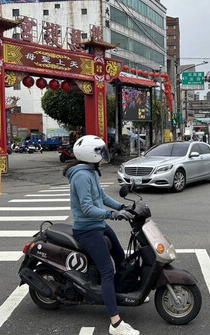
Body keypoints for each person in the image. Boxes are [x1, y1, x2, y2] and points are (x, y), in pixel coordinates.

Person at [64, 135, 141, 335]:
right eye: (100, 151)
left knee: (120, 256)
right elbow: (88, 208)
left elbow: (101, 196)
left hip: (99, 225)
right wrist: (112, 214)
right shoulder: (81, 176)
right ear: (90, 154)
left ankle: (121, 292)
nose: (104, 154)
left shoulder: (90, 171)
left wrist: (121, 207)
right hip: (87, 229)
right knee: (107, 270)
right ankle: (115, 323)